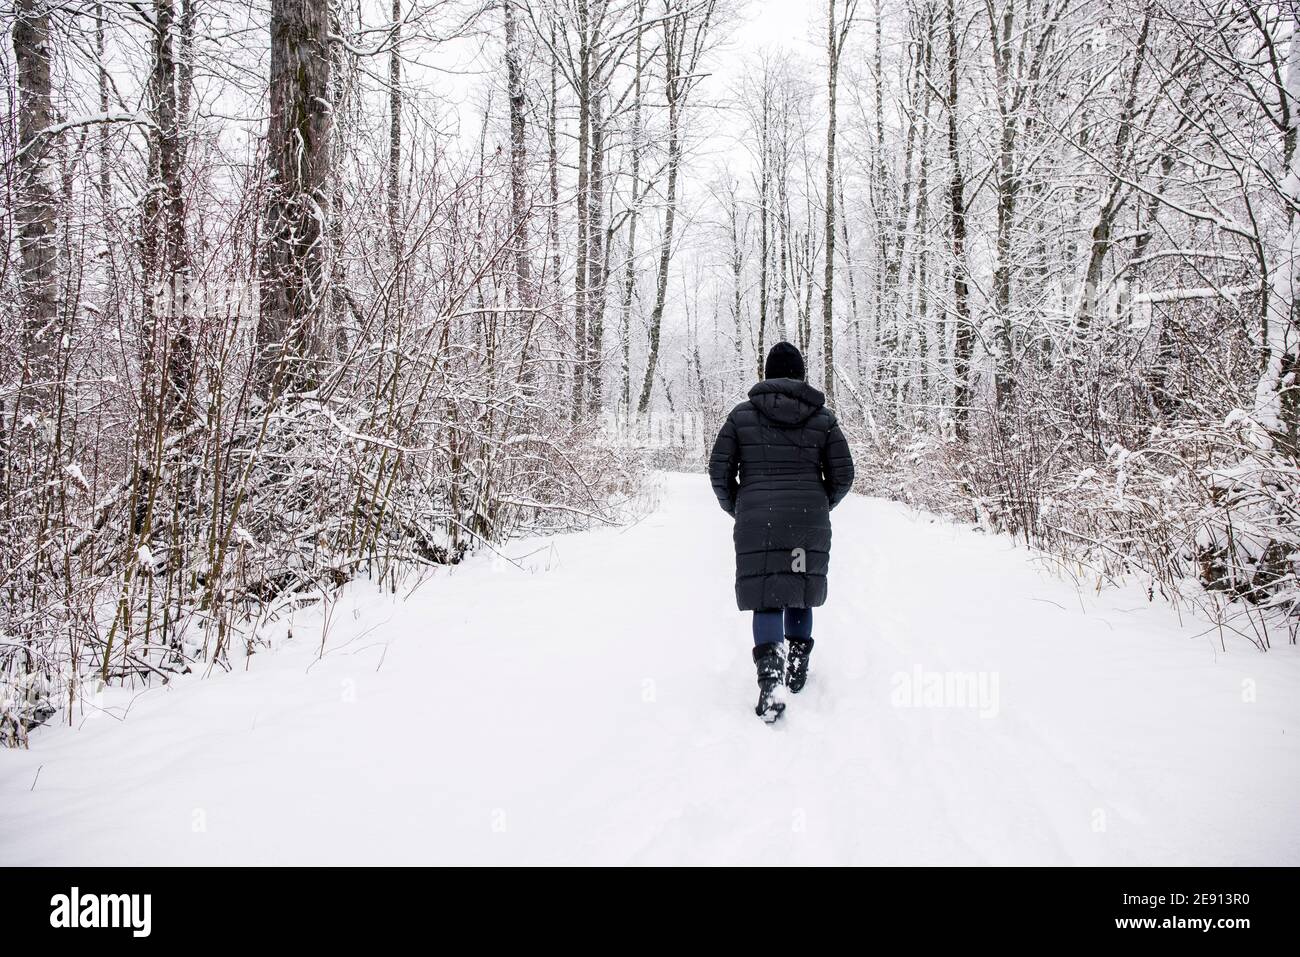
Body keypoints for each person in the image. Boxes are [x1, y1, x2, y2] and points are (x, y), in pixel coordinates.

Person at [707, 342, 855, 721]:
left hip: (760, 522)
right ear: (801, 375)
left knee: (767, 596)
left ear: (768, 374)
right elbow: (843, 474)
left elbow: (719, 471)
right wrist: (820, 504)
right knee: (799, 587)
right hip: (806, 523)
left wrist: (740, 506)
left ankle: (770, 679)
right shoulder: (823, 419)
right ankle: (798, 665)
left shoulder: (742, 417)